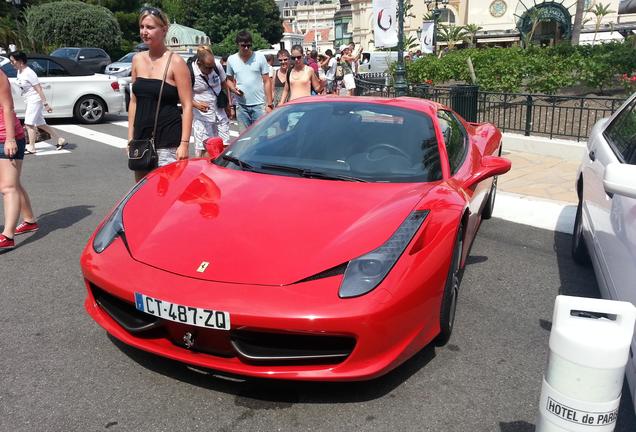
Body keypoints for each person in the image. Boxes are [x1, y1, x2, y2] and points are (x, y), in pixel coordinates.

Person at [128, 7, 193, 183]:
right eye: (142, 27)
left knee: (167, 190)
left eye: (150, 27)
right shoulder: (137, 59)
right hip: (141, 137)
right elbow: (134, 101)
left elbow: (187, 105)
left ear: (164, 30)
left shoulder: (176, 62)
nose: (144, 32)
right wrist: (130, 138)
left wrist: (184, 144)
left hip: (168, 139)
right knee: (141, 189)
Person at [0, 66, 37, 250]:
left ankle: (7, 236)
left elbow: (8, 107)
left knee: (8, 187)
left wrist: (10, 139)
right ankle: (29, 220)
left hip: (6, 137)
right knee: (13, 183)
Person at [9, 51, 66, 154]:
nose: (11, 63)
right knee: (40, 123)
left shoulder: (29, 73)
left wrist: (45, 104)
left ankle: (31, 147)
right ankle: (60, 139)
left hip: (34, 100)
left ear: (20, 61)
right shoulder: (19, 71)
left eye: (13, 61)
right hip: (28, 99)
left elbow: (39, 89)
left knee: (29, 123)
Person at [225, 30, 273, 131]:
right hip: (242, 106)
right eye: (243, 45)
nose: (246, 48)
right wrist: (234, 90)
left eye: (249, 45)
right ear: (237, 44)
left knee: (261, 135)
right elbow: (229, 80)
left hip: (259, 105)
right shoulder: (231, 59)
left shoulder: (260, 57)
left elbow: (267, 81)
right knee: (244, 138)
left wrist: (269, 104)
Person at [191, 45, 231, 157]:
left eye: (212, 67)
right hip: (203, 118)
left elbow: (224, 84)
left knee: (225, 146)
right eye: (208, 68)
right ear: (199, 64)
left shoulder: (216, 65)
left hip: (219, 113)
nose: (211, 70)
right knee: (205, 150)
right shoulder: (190, 70)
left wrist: (228, 104)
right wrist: (197, 105)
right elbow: (183, 96)